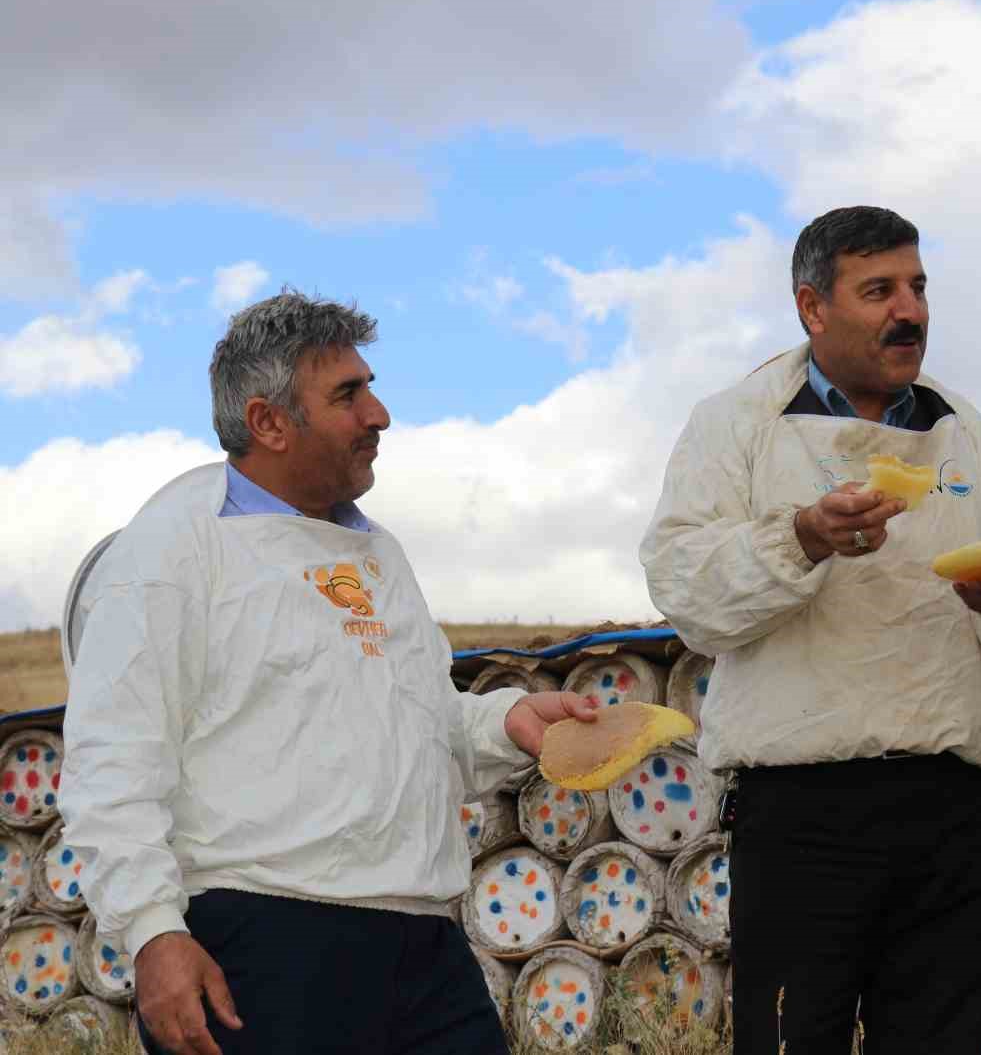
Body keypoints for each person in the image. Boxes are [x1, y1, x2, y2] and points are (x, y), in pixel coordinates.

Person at [60, 291, 597, 1055]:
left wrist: (506, 722)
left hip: (424, 943)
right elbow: (112, 759)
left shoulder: (377, 553)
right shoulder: (171, 551)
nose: (378, 414)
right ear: (268, 422)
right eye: (348, 395)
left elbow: (419, 723)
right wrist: (152, 935)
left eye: (369, 388)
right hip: (261, 944)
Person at [639, 205, 981, 1055]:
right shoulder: (738, 423)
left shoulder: (966, 434)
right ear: (812, 308)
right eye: (878, 290)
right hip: (803, 813)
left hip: (954, 811)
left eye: (917, 288)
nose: (908, 311)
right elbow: (685, 587)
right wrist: (801, 537)